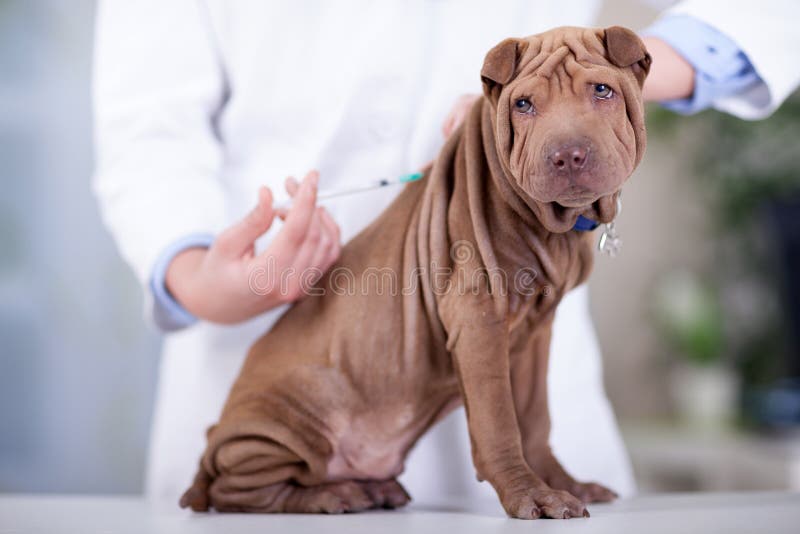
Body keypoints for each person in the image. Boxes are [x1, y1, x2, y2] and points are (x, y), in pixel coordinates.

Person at [93, 0, 800, 507]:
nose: (564, 131)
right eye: (525, 105)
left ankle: (533, 457)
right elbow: (145, 134)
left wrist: (644, 70)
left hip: (541, 374)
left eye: (601, 95)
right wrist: (197, 278)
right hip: (276, 339)